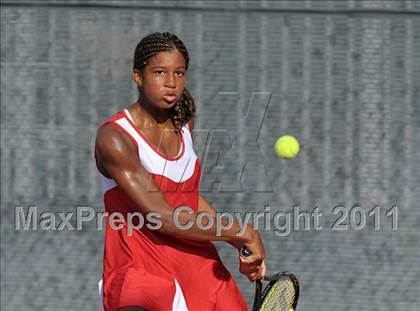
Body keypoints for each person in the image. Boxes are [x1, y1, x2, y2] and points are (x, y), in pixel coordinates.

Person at [95, 32, 266, 311]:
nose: (171, 83)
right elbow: (164, 217)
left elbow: (185, 198)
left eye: (179, 73)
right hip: (143, 279)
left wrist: (238, 244)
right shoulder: (115, 138)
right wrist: (242, 232)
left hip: (201, 270)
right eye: (159, 72)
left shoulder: (184, 121)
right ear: (138, 76)